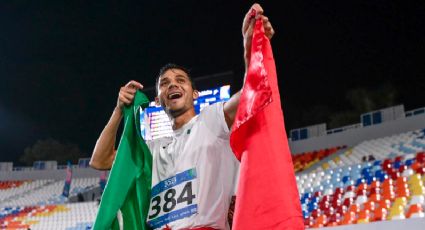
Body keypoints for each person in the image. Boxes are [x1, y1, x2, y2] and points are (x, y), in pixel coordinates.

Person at [90, 3, 274, 230]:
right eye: (164, 83)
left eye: (180, 80)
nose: (172, 84)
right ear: (157, 100)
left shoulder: (211, 121)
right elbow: (99, 160)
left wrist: (250, 50)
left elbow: (250, 95)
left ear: (194, 94)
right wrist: (119, 110)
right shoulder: (152, 149)